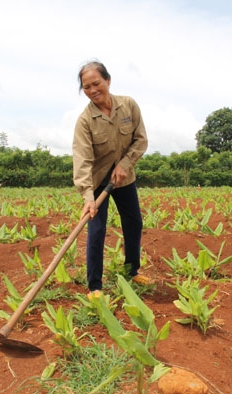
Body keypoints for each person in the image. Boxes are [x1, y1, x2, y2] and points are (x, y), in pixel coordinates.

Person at [72, 60, 152, 296]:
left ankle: (132, 272)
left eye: (96, 83)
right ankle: (95, 286)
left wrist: (125, 164)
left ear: (108, 80)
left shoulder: (128, 105)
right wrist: (88, 196)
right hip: (97, 183)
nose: (92, 90)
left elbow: (140, 140)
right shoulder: (85, 121)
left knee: (133, 222)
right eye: (86, 87)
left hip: (124, 179)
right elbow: (82, 159)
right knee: (96, 230)